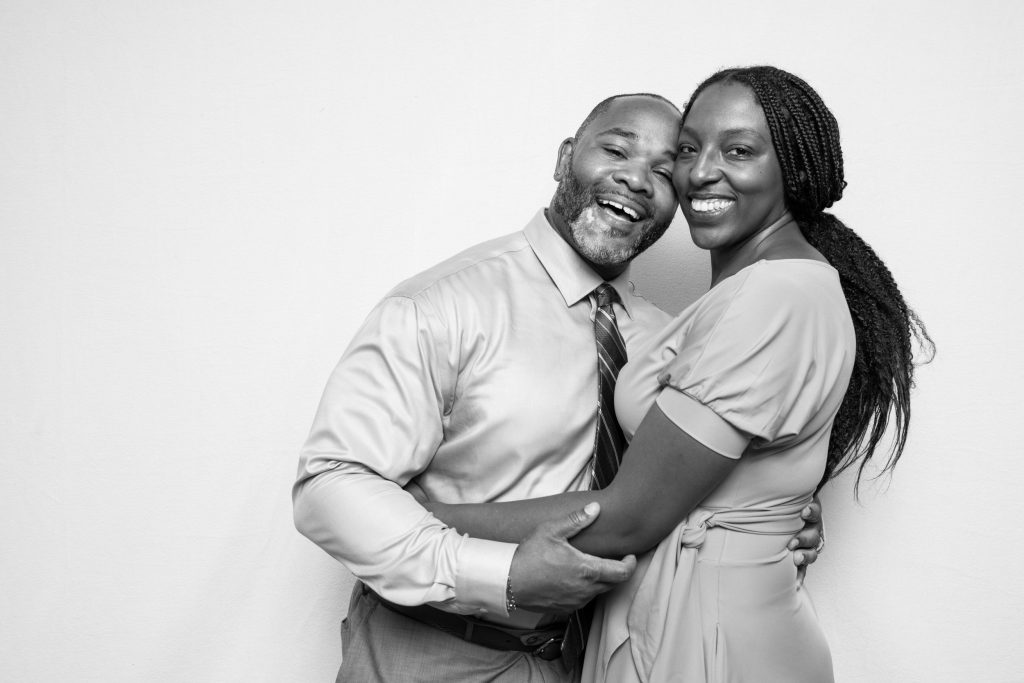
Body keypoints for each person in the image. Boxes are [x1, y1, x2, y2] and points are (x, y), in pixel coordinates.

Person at [420, 67, 933, 682]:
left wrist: (425, 518)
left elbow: (632, 516)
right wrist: (766, 510)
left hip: (711, 645)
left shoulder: (771, 296)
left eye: (738, 151)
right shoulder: (757, 292)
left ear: (793, 169)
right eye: (688, 150)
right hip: (690, 621)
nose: (701, 172)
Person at [293, 92, 825, 682]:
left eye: (662, 171)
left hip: (588, 660)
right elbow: (330, 484)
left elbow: (674, 481)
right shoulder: (442, 305)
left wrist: (770, 516)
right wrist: (502, 575)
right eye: (616, 150)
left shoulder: (668, 341)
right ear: (565, 157)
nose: (636, 179)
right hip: (433, 653)